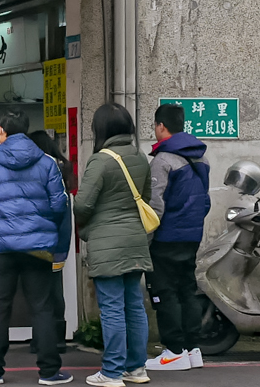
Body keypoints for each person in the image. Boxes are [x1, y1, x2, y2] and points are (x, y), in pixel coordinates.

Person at [0, 111, 69, 386]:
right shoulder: (47, 162)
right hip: (38, 247)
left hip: (1, 247)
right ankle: (49, 372)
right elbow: (60, 205)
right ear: (26, 130)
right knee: (42, 306)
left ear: (1, 132)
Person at [73, 104, 154, 387]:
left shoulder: (101, 160)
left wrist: (86, 227)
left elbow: (82, 204)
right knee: (134, 305)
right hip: (135, 241)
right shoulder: (141, 157)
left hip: (107, 244)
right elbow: (146, 198)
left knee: (112, 308)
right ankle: (137, 368)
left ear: (100, 129)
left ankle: (111, 372)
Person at [144, 104, 211, 373]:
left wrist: (147, 237)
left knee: (165, 292)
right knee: (187, 289)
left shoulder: (163, 161)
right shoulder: (201, 159)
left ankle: (173, 351)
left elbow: (155, 206)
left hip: (167, 236)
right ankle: (193, 349)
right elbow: (205, 200)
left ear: (161, 126)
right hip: (192, 235)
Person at [29, 129, 75, 352]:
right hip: (57, 240)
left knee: (41, 295)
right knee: (54, 291)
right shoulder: (61, 168)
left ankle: (44, 340)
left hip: (41, 242)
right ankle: (56, 339)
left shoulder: (42, 171)